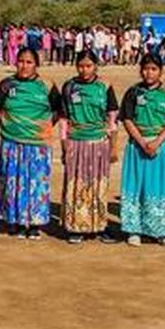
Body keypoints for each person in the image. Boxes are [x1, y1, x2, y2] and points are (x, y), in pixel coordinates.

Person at [0, 47, 57, 239]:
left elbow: (58, 111)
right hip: (11, 143)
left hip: (37, 146)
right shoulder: (6, 84)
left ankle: (34, 223)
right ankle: (15, 221)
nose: (24, 66)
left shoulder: (47, 85)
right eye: (20, 61)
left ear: (36, 65)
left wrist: (40, 128)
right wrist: (8, 125)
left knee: (36, 184)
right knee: (13, 183)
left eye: (29, 62)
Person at [118, 53, 165, 246]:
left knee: (162, 187)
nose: (149, 73)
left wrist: (157, 142)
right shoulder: (133, 92)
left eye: (154, 69)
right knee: (137, 186)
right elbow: (127, 119)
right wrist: (142, 142)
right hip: (137, 146)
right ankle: (134, 230)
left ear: (160, 71)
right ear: (140, 70)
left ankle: (163, 232)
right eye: (146, 69)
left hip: (162, 147)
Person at [57, 50, 118, 244]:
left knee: (98, 184)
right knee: (76, 184)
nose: (84, 70)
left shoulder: (105, 87)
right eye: (81, 66)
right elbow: (63, 119)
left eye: (89, 66)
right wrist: (64, 145)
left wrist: (113, 147)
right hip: (76, 141)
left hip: (99, 143)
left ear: (96, 66)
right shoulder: (69, 87)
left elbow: (112, 119)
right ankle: (75, 226)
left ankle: (99, 226)